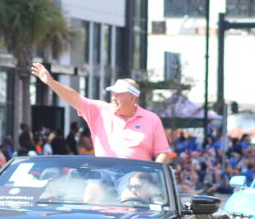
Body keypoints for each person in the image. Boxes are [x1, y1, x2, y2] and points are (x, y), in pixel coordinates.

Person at [32, 63, 170, 162]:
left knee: (131, 190)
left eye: (119, 94)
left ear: (132, 98)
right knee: (90, 195)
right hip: (103, 175)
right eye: (113, 94)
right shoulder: (101, 110)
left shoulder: (151, 119)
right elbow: (75, 98)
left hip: (136, 179)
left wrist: (147, 176)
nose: (114, 98)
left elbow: (163, 153)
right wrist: (50, 82)